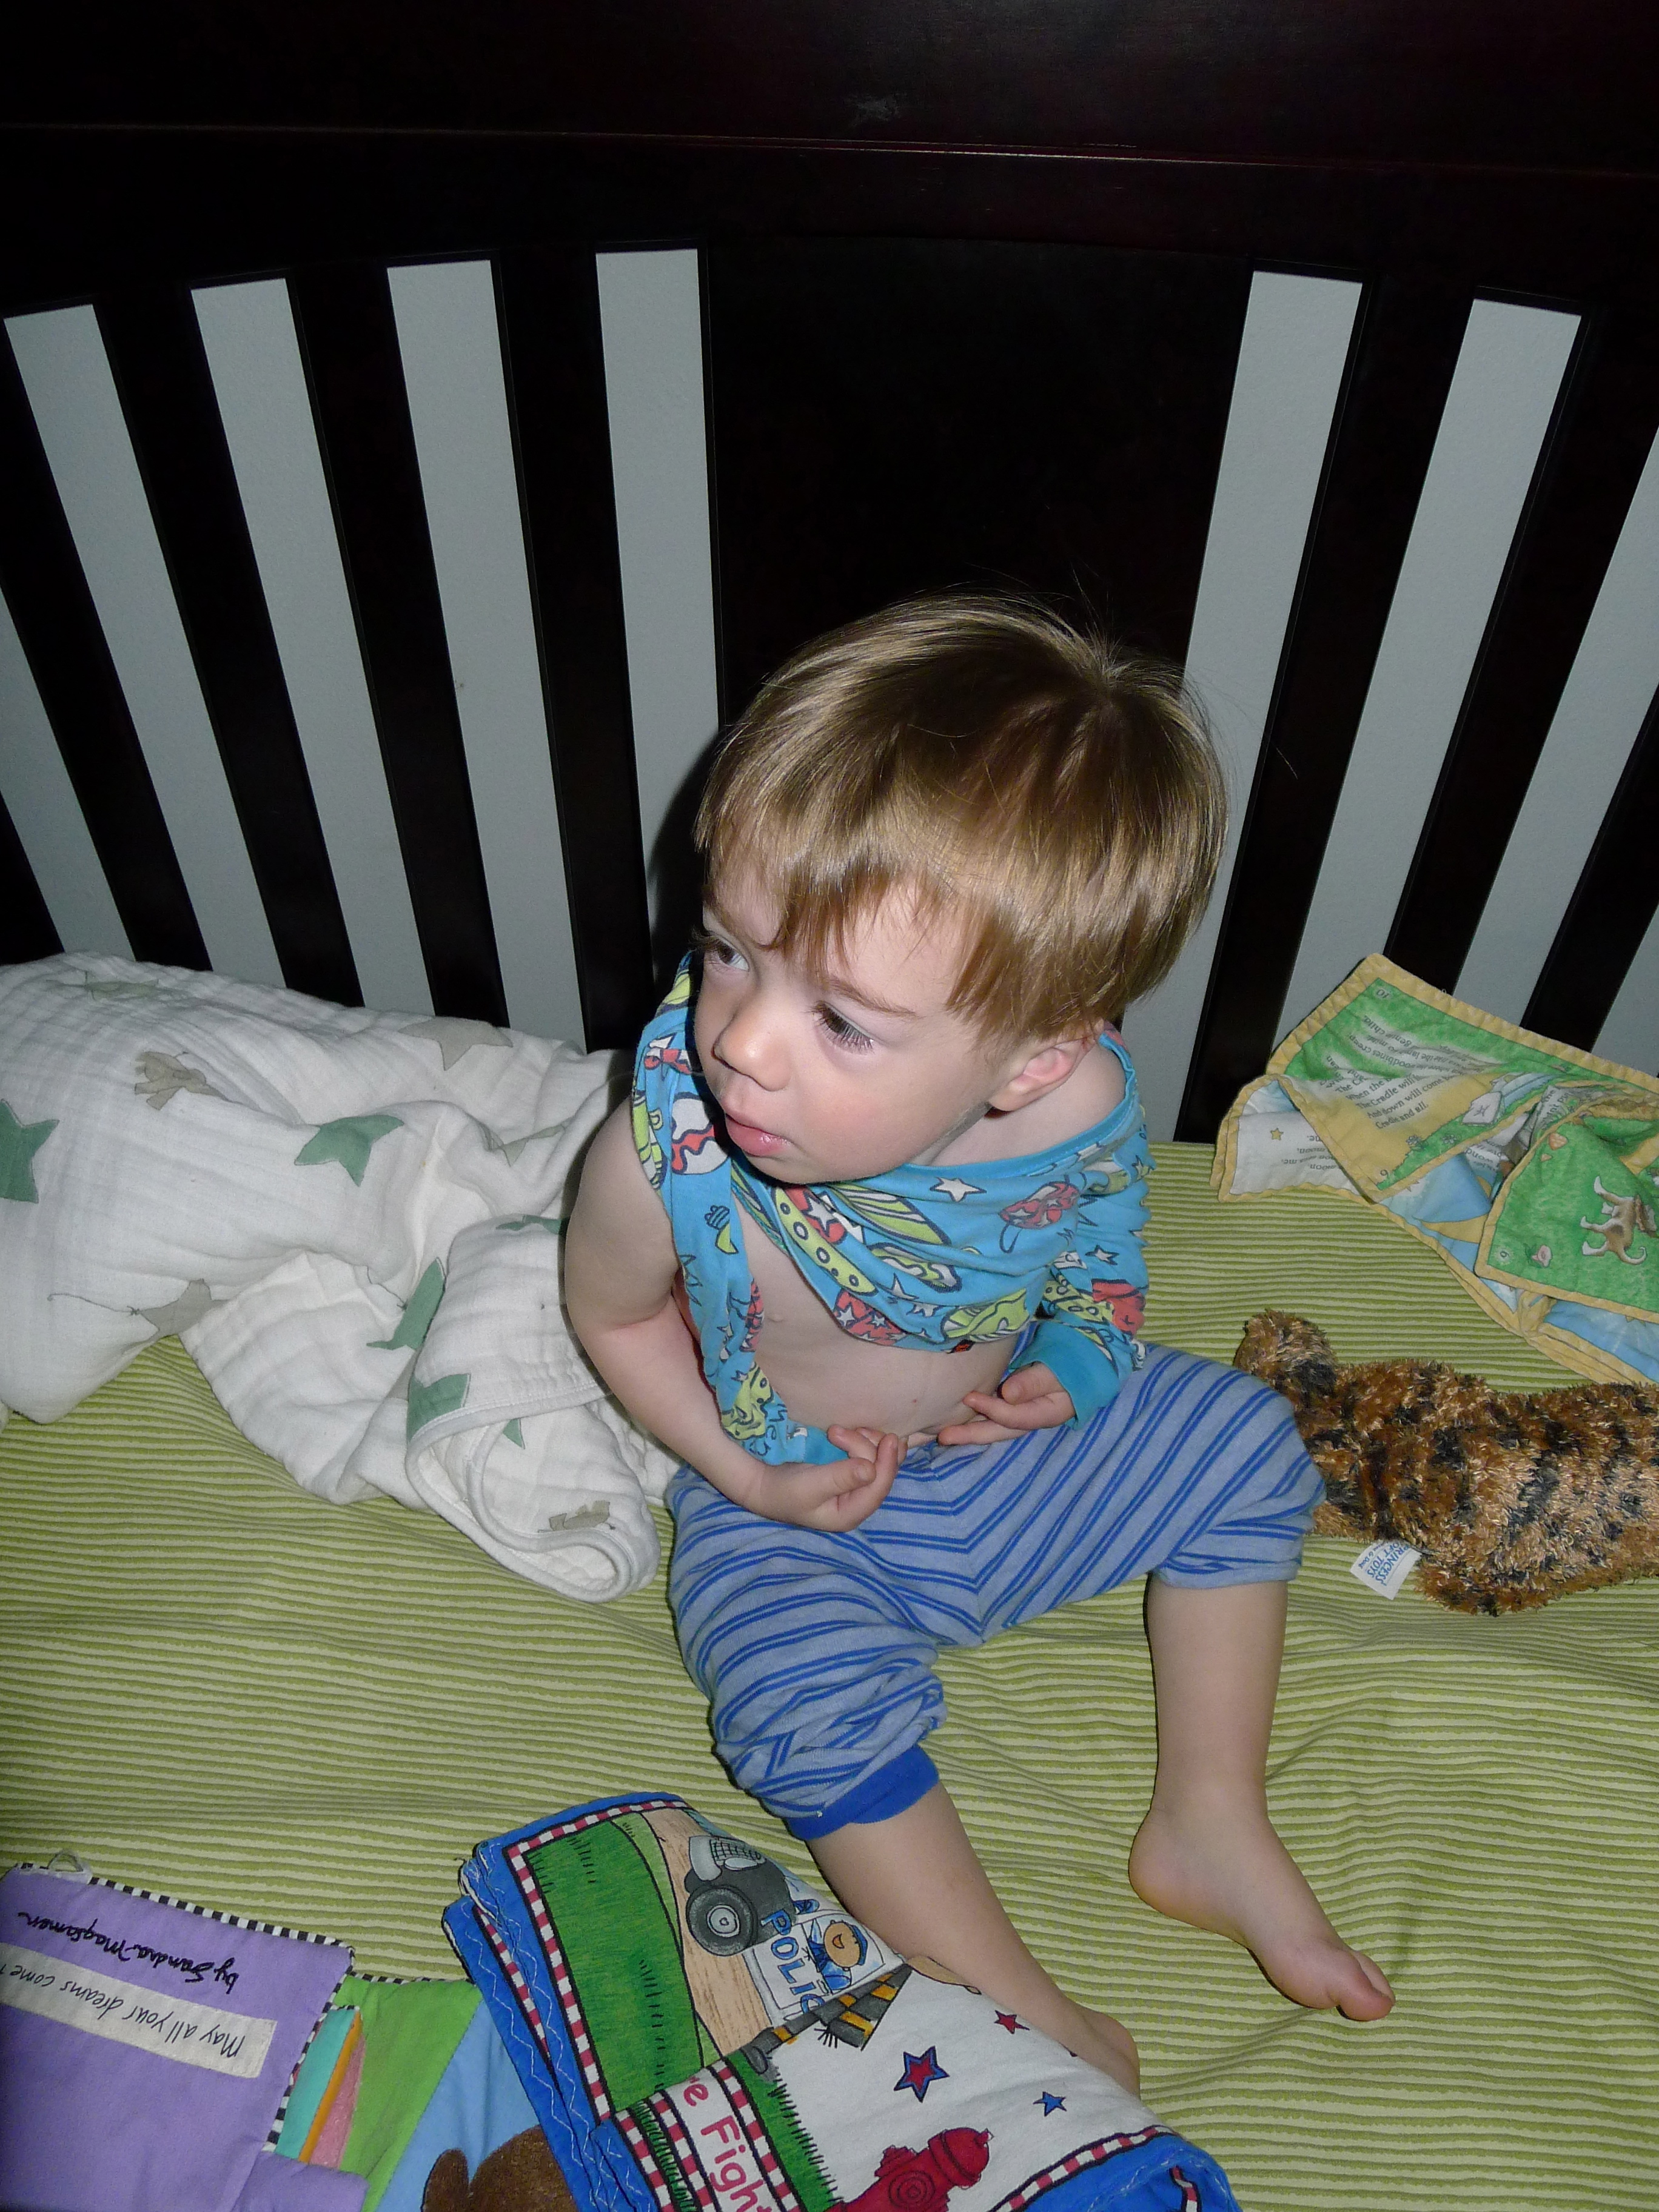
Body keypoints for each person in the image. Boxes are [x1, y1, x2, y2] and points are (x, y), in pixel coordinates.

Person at [565, 595, 1395, 2092]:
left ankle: (1210, 1814)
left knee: (1246, 1440)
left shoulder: (1080, 1112)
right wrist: (745, 1479)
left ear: (1033, 1056)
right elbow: (611, 1315)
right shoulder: (670, 1160)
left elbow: (1101, 1268)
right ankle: (1026, 2011)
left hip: (1005, 1466)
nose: (739, 1041)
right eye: (729, 951)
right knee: (789, 1690)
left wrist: (1072, 1373)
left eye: (844, 1021)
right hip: (802, 1505)